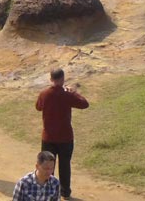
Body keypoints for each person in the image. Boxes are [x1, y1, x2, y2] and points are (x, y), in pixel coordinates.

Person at [36, 68, 89, 200]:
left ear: (50, 79)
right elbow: (84, 104)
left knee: (48, 166)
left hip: (48, 137)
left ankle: (48, 191)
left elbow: (38, 107)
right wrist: (73, 92)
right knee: (65, 166)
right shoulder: (67, 94)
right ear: (63, 79)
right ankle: (65, 193)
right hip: (65, 137)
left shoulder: (44, 93)